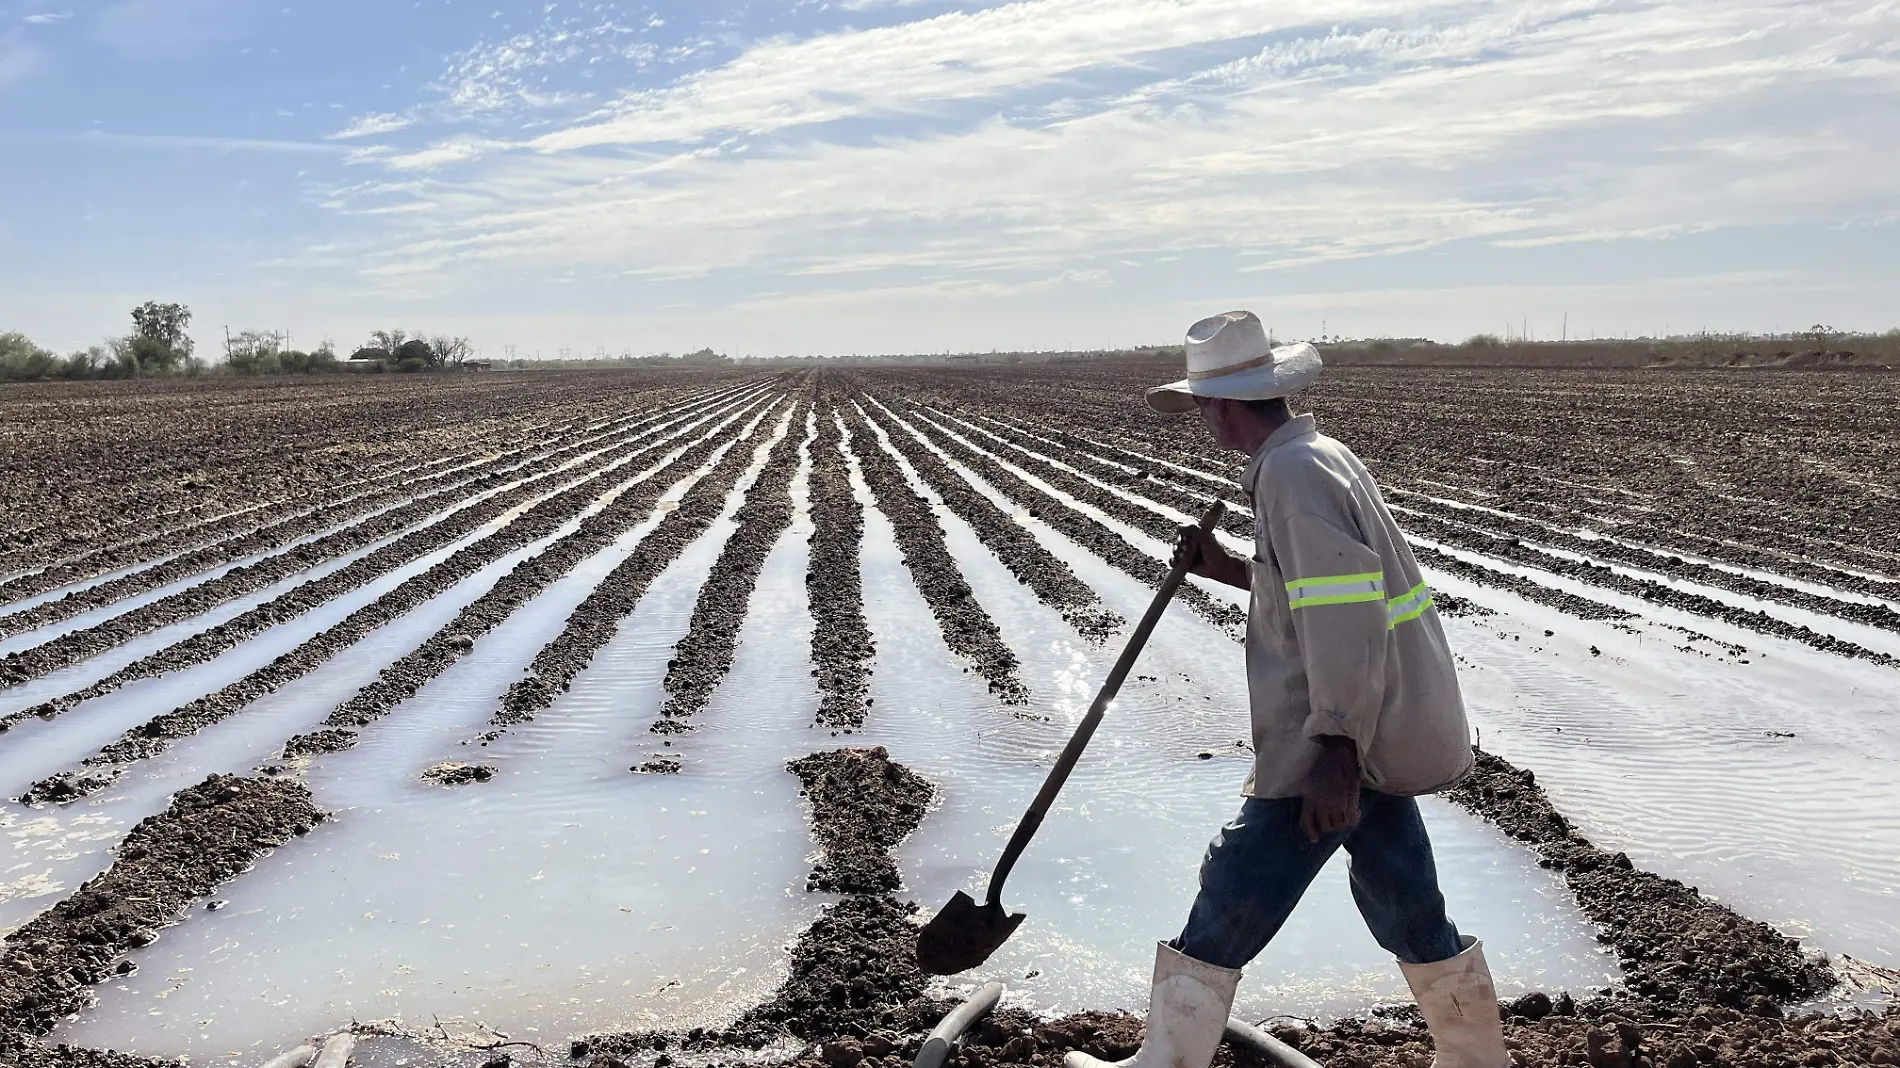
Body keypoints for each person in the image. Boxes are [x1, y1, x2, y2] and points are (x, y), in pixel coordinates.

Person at [1064, 311, 1509, 1068]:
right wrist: (1232, 569)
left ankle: (1166, 1061)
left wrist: (1334, 750)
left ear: (1226, 403)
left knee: (1237, 878)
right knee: (1404, 897)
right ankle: (1476, 1059)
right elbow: (1316, 589)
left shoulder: (1293, 474)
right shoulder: (1314, 454)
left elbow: (1344, 620)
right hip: (1370, 726)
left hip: (1334, 734)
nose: (1202, 416)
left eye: (1204, 403)